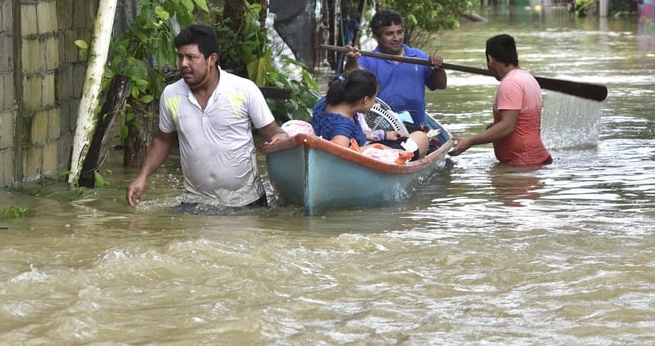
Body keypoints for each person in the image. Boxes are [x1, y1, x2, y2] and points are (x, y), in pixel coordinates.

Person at [126, 24, 288, 209]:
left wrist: (281, 138)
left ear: (212, 59)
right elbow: (163, 140)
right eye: (180, 57)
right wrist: (142, 177)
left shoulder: (243, 90)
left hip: (246, 202)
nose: (183, 64)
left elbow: (271, 130)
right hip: (195, 203)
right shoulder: (171, 95)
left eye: (191, 58)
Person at [449, 34, 552, 166]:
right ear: (516, 54)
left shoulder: (510, 83)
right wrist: (495, 125)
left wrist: (470, 141)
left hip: (522, 165)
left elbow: (507, 126)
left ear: (490, 59)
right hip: (534, 161)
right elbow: (523, 119)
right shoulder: (527, 78)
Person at [343, 9, 446, 128]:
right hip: (379, 125)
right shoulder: (368, 59)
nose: (396, 38)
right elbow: (354, 77)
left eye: (399, 32)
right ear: (376, 37)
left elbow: (440, 85)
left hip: (416, 125)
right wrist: (351, 61)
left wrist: (438, 67)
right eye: (389, 34)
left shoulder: (418, 56)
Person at [311, 69, 429, 160]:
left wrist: (383, 135)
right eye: (374, 98)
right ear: (366, 100)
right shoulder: (343, 126)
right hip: (361, 161)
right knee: (421, 137)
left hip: (359, 148)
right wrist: (377, 147)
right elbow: (337, 153)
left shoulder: (325, 102)